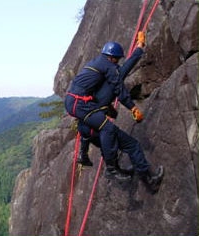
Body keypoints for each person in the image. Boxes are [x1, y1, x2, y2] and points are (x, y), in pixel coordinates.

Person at [64, 32, 164, 193]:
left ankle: (116, 167)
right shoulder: (108, 75)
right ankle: (115, 169)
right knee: (113, 132)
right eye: (116, 60)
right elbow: (119, 85)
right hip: (82, 109)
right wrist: (133, 108)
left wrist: (139, 49)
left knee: (117, 139)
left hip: (84, 120)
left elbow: (123, 70)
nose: (117, 64)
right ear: (112, 58)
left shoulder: (98, 71)